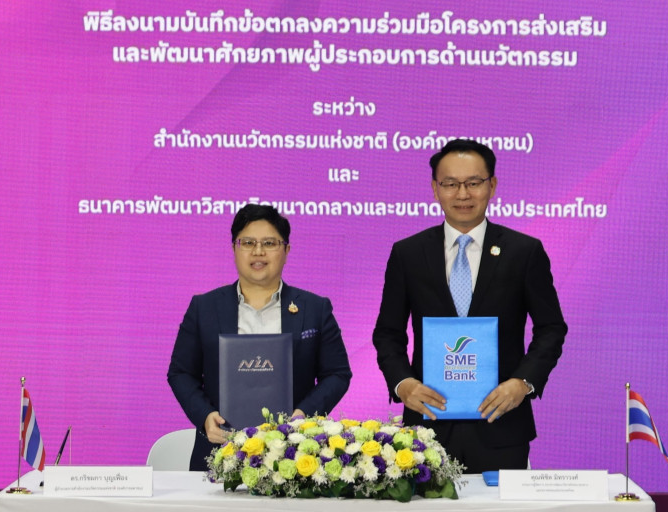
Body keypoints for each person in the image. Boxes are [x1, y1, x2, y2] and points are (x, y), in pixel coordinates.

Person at [373, 138, 566, 473]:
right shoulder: (408, 253)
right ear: (435, 189)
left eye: (474, 183)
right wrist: (403, 384)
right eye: (450, 184)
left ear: (492, 185)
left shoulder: (524, 252)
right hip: (427, 427)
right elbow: (388, 333)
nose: (462, 194)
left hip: (502, 424)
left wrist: (523, 382)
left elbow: (551, 328)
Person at [168, 204, 352, 471]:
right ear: (234, 249)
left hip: (295, 455)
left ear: (286, 251)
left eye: (269, 243)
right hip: (219, 450)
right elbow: (181, 373)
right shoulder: (204, 307)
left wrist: (303, 416)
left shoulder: (315, 308)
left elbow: (337, 373)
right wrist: (205, 416)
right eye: (247, 243)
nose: (258, 251)